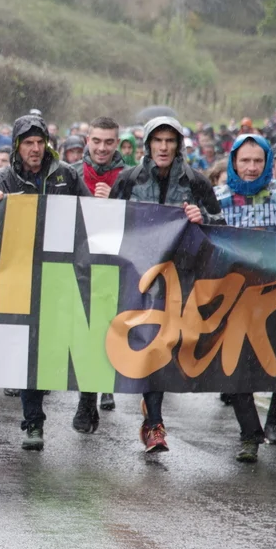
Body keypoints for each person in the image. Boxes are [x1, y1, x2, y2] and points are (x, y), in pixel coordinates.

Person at [108, 116, 224, 454]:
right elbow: (108, 223)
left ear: (178, 145)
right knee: (146, 342)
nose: (163, 147)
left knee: (166, 345)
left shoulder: (196, 182)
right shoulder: (128, 179)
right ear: (147, 145)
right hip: (137, 274)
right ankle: (151, 423)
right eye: (157, 140)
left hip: (180, 275)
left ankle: (152, 414)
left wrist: (203, 218)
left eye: (169, 141)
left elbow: (221, 225)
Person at [0, 114, 90, 450]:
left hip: (60, 274)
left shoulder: (67, 176)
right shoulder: (0, 178)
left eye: (40, 142)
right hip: (18, 276)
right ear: (17, 146)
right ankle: (33, 422)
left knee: (61, 345)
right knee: (29, 350)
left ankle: (89, 400)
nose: (35, 149)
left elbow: (92, 217)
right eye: (28, 143)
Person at [212, 133, 276, 461]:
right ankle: (249, 435)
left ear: (266, 162)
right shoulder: (218, 198)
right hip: (234, 299)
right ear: (234, 162)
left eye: (257, 161)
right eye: (245, 161)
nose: (251, 167)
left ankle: (274, 422)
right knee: (236, 368)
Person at [68, 116, 125, 428]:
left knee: (109, 331)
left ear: (117, 143)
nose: (102, 148)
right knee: (85, 332)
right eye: (97, 141)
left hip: (116, 264)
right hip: (79, 263)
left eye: (109, 142)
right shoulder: (70, 173)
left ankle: (101, 388)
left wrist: (113, 203)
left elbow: (142, 218)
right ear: (87, 140)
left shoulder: (130, 176)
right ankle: (87, 398)